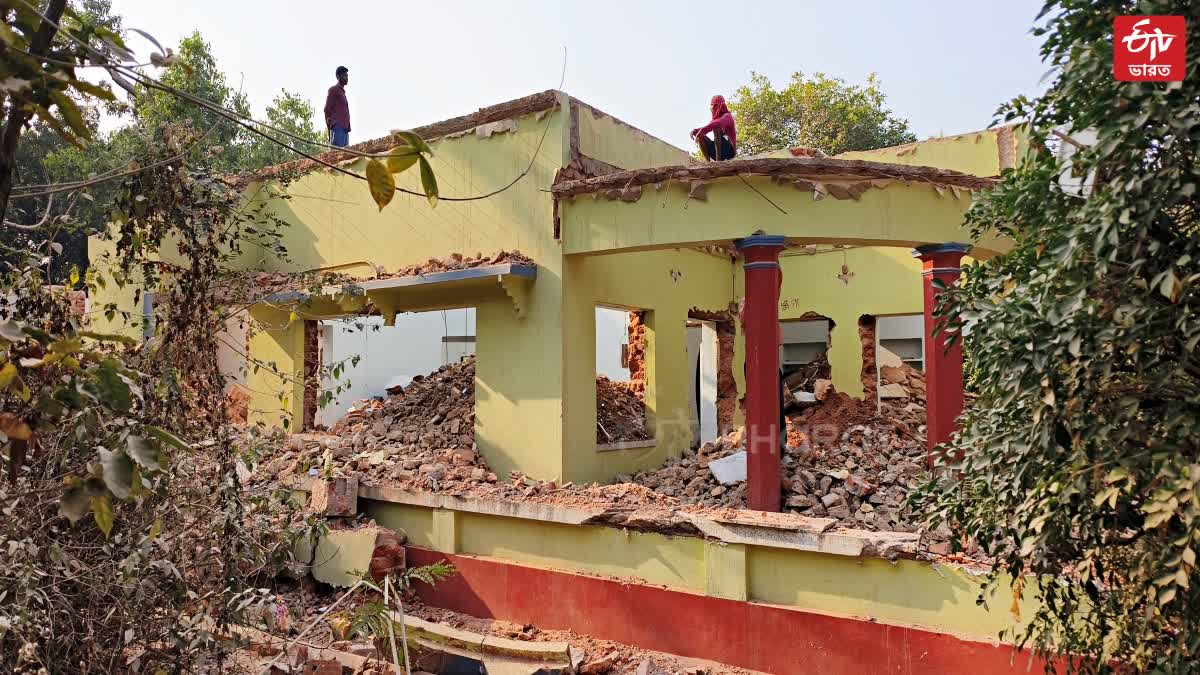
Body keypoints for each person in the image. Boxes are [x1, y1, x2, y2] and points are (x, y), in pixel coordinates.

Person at [690, 94, 737, 161]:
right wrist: (695, 131)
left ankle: (718, 162)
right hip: (718, 151)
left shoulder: (727, 116)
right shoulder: (714, 120)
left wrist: (703, 130)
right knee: (700, 135)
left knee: (716, 127)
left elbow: (718, 123)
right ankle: (708, 163)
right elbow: (708, 126)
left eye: (711, 105)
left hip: (729, 151)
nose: (710, 108)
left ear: (716, 106)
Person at [324, 66, 351, 148]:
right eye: (344, 76)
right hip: (338, 126)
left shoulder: (342, 92)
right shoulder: (333, 90)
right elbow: (327, 109)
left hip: (345, 127)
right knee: (337, 153)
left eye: (347, 76)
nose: (347, 78)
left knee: (345, 155)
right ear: (338, 77)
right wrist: (329, 122)